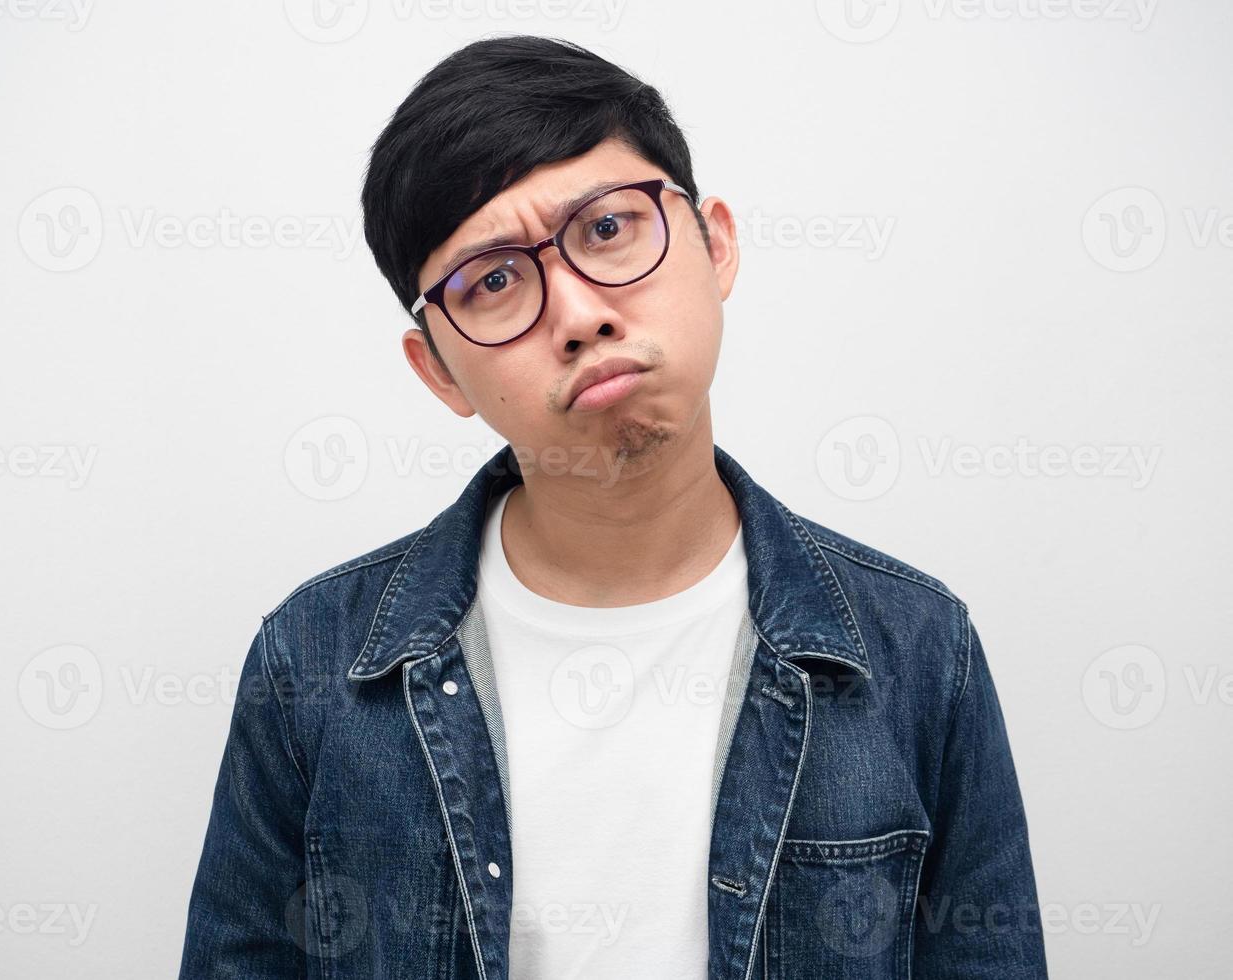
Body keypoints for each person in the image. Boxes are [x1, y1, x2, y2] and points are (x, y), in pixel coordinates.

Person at [178, 34, 1049, 980]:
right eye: (495, 281)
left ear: (714, 243)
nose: (581, 314)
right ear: (437, 370)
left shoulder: (919, 649)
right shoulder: (311, 662)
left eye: (605, 230)